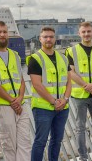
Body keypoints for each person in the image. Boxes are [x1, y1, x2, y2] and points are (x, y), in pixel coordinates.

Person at [0, 21, 31, 161]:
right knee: (8, 146)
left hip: (20, 105)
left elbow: (21, 80)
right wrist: (12, 100)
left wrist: (20, 97)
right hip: (1, 106)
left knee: (25, 143)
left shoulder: (15, 55)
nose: (2, 35)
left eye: (5, 32)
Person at [27, 27, 71, 161]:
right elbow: (37, 84)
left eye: (51, 36)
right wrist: (54, 101)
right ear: (40, 39)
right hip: (43, 108)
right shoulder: (35, 58)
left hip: (62, 107)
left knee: (57, 140)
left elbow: (69, 82)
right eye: (45, 37)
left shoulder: (63, 58)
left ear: (55, 38)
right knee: (40, 141)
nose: (48, 39)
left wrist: (65, 99)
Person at [66, 22, 92, 161]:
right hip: (80, 95)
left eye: (89, 31)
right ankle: (83, 157)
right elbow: (70, 72)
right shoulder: (71, 51)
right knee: (80, 128)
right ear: (79, 33)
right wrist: (87, 86)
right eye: (83, 32)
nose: (86, 34)